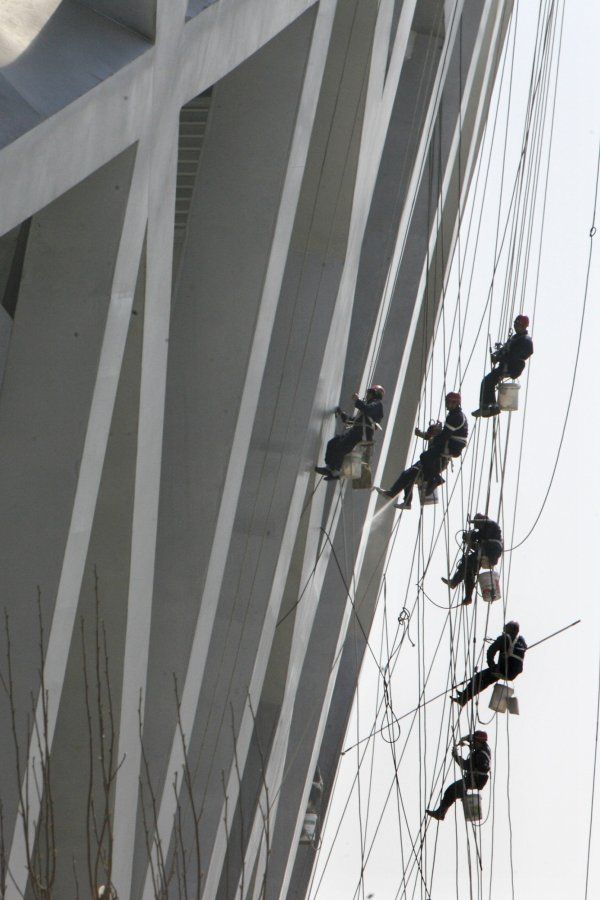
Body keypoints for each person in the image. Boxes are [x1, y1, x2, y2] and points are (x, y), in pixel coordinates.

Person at [374, 392, 467, 509]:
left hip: (442, 457)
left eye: (450, 402)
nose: (448, 405)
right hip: (438, 457)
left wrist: (433, 439)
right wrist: (427, 436)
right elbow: (440, 436)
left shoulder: (455, 417)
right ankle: (403, 500)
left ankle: (435, 479)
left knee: (422, 459)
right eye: (447, 402)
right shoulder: (455, 416)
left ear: (455, 403)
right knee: (408, 474)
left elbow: (444, 436)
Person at [315, 386, 384, 480]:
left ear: (374, 394)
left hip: (361, 435)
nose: (367, 395)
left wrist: (357, 400)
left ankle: (336, 471)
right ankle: (330, 467)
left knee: (342, 446)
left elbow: (367, 409)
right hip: (356, 432)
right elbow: (351, 421)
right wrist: (341, 413)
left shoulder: (377, 405)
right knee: (333, 443)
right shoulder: (365, 410)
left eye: (369, 393)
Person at [452, 621, 527, 707]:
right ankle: (464, 696)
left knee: (478, 678)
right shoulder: (521, 641)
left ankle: (464, 698)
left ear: (509, 629)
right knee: (485, 680)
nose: (504, 628)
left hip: (503, 669)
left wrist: (492, 666)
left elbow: (490, 652)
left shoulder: (504, 638)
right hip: (513, 673)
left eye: (506, 626)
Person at [473, 314, 533, 417]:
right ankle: (487, 406)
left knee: (488, 381)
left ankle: (491, 406)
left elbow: (515, 355)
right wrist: (497, 355)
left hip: (511, 367)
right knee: (487, 381)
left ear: (523, 326)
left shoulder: (525, 340)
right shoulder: (516, 338)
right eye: (515, 324)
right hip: (506, 365)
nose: (515, 326)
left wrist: (500, 358)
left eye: (517, 324)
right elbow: (506, 350)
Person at [426, 731, 491, 821]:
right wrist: (465, 740)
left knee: (451, 790)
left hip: (475, 779)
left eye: (474, 742)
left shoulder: (479, 755)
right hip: (478, 779)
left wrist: (456, 756)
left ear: (479, 742)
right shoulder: (485, 750)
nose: (473, 744)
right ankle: (440, 813)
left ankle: (440, 813)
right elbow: (473, 741)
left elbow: (466, 765)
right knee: (452, 791)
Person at [442, 513, 503, 605]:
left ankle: (454, 582)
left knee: (468, 561)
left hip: (491, 550)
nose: (477, 527)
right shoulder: (485, 530)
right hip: (486, 551)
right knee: (469, 572)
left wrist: (471, 536)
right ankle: (468, 598)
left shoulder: (491, 524)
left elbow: (482, 536)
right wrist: (469, 541)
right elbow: (479, 543)